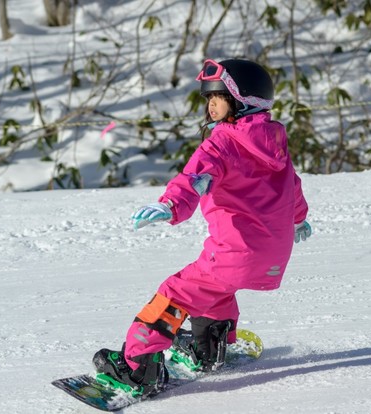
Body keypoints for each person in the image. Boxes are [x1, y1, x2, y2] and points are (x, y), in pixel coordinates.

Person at [93, 58, 311, 396]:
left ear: (241, 101)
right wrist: (299, 219)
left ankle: (139, 368)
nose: (211, 106)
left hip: (235, 253)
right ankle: (210, 347)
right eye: (208, 98)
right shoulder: (276, 142)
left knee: (175, 293)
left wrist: (168, 205)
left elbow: (193, 178)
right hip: (275, 253)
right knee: (214, 287)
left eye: (218, 97)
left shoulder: (221, 143)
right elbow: (291, 186)